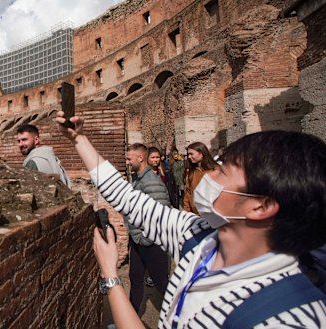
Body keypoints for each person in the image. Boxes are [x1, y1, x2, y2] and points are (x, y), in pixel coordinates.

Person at [55, 111, 326, 328]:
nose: (208, 177)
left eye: (223, 172)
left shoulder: (287, 319)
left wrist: (111, 276)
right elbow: (128, 199)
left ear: (260, 206)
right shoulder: (198, 237)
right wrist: (78, 138)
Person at [125, 144, 171, 312]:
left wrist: (146, 239)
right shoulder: (137, 178)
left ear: (140, 158)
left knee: (162, 284)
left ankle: (184, 319)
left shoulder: (151, 181)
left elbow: (160, 215)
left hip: (151, 242)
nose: (127, 161)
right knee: (135, 279)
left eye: (130, 158)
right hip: (138, 239)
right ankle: (130, 321)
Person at [16, 124, 71, 188]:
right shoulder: (50, 156)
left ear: (36, 140)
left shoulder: (33, 162)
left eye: (24, 140)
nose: (20, 144)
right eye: (19, 141)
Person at [183, 142, 219, 214]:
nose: (189, 157)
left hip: (214, 214)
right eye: (188, 154)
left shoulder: (216, 170)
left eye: (191, 154)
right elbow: (188, 194)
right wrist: (187, 213)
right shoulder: (192, 173)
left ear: (201, 153)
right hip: (196, 215)